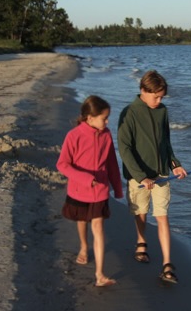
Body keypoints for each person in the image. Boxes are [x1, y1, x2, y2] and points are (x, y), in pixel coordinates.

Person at [117, 70, 187, 284]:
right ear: (143, 91)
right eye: (156, 96)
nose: (159, 100)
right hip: (138, 177)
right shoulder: (129, 113)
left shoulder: (163, 111)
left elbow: (166, 142)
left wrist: (175, 164)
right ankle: (141, 241)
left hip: (161, 175)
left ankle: (167, 264)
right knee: (140, 211)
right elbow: (124, 148)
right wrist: (140, 177)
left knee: (162, 215)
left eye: (162, 97)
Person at [56, 95, 123, 287]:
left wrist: (117, 189)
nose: (107, 121)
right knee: (81, 220)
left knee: (98, 227)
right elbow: (62, 164)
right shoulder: (74, 135)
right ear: (90, 118)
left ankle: (100, 274)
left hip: (100, 190)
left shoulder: (107, 135)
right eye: (104, 117)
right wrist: (85, 179)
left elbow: (111, 164)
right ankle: (84, 247)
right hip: (79, 189)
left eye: (108, 117)